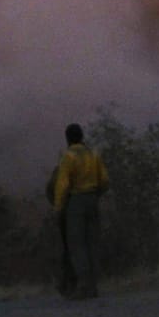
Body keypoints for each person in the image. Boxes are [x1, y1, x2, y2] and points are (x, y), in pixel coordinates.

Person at [50, 123, 110, 300]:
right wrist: (96, 194)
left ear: (68, 138)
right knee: (92, 243)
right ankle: (93, 287)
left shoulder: (68, 157)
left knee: (77, 245)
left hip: (76, 201)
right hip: (93, 200)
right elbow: (105, 180)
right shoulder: (93, 154)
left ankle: (83, 287)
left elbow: (62, 185)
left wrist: (58, 208)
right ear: (82, 137)